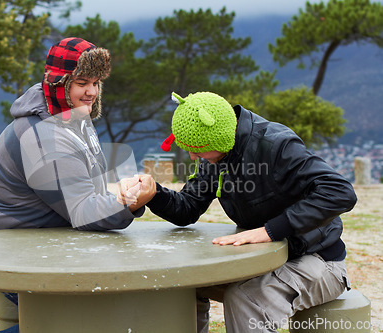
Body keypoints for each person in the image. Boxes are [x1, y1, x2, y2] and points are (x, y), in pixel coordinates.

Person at [118, 91, 357, 333]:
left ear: (218, 138)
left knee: (245, 299)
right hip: (262, 261)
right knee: (185, 284)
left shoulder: (276, 145)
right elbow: (188, 207)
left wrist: (271, 230)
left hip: (319, 260)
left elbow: (340, 192)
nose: (192, 156)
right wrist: (154, 194)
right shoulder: (217, 153)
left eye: (198, 149)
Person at [0, 37, 146, 333]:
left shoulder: (68, 116)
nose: (91, 92)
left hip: (37, 245)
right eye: (82, 83)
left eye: (96, 83)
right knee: (84, 323)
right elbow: (83, 212)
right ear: (59, 84)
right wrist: (127, 202)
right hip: (8, 251)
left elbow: (87, 188)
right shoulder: (44, 135)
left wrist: (120, 196)